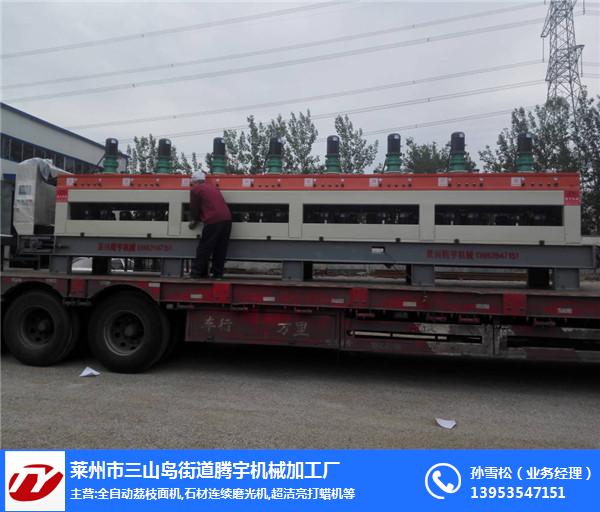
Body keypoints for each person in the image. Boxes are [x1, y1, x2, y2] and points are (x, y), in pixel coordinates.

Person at [188, 170, 232, 279]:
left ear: (194, 181)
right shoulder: (213, 187)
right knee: (220, 248)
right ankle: (218, 274)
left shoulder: (196, 190)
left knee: (204, 247)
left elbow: (194, 208)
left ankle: (196, 273)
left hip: (213, 219)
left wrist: (194, 220)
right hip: (227, 219)